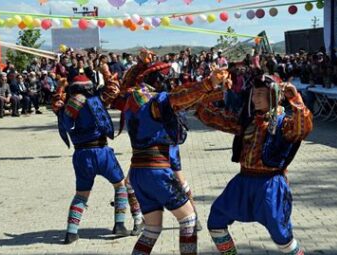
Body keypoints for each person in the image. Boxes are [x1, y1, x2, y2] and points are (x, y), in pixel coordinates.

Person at [114, 61, 228, 255]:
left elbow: (184, 100)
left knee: (151, 229)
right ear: (157, 79)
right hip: (156, 171)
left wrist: (218, 90)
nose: (168, 82)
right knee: (188, 220)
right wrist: (209, 83)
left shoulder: (134, 99)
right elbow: (182, 98)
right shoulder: (155, 101)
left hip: (138, 172)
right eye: (166, 78)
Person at [194, 73, 313, 255]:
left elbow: (302, 128)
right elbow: (208, 114)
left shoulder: (284, 124)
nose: (255, 98)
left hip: (270, 185)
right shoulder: (247, 121)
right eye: (254, 94)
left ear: (272, 96)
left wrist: (295, 99)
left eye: (260, 94)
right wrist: (218, 91)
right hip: (243, 182)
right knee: (216, 221)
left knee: (281, 236)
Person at [51, 75, 131, 244]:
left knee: (81, 195)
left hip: (81, 155)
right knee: (120, 186)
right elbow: (112, 90)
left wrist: (59, 87)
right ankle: (120, 225)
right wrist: (106, 72)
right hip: (101, 152)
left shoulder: (65, 106)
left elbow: (59, 107)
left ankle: (71, 233)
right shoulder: (96, 101)